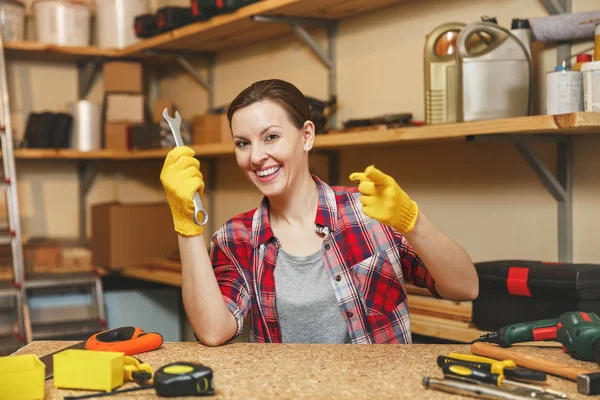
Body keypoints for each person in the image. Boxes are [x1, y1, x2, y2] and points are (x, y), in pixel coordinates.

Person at [160, 79, 479, 346]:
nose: (256, 156)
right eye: (243, 143)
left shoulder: (369, 211)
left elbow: (465, 287)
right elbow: (214, 332)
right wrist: (186, 226)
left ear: (307, 136)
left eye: (271, 136)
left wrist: (413, 221)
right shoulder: (235, 238)